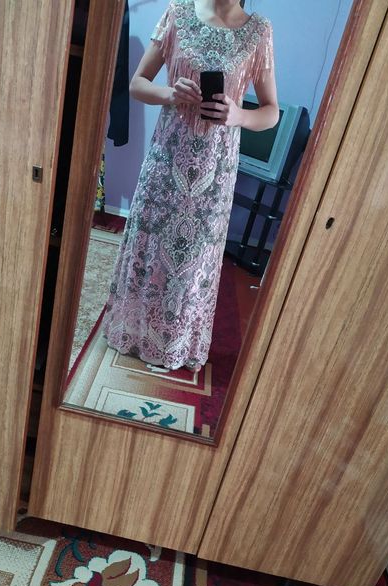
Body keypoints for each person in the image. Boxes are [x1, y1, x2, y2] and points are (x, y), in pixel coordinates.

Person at [102, 0, 279, 372]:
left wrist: (238, 115)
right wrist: (170, 94)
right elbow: (137, 84)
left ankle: (173, 343)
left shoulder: (259, 31)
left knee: (194, 262)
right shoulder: (177, 13)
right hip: (166, 160)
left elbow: (271, 112)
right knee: (149, 247)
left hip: (215, 173)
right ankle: (132, 331)